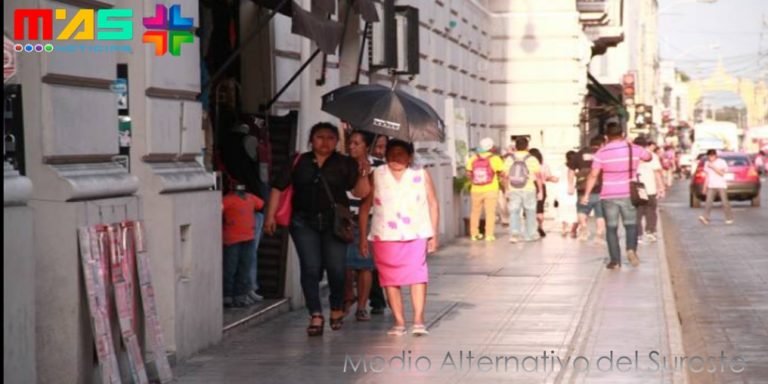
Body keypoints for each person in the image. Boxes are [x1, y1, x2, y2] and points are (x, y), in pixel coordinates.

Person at [264, 122, 371, 336]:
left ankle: (336, 306)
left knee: (336, 269)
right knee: (310, 268)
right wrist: (270, 216)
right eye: (320, 137)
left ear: (337, 142)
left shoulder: (345, 163)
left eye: (331, 138)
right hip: (303, 222)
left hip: (335, 224)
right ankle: (315, 313)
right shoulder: (298, 161)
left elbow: (360, 193)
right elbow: (278, 187)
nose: (325, 142)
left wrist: (363, 173)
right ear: (311, 140)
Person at [359, 139, 439, 336]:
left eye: (401, 153)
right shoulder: (376, 174)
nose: (396, 157)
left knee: (417, 275)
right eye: (392, 153)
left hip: (416, 232)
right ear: (385, 155)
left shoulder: (420, 174)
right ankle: (399, 321)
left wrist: (433, 234)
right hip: (384, 235)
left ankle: (419, 320)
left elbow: (433, 204)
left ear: (410, 156)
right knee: (389, 279)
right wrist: (362, 237)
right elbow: (363, 204)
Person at [581, 122, 652, 270]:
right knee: (631, 225)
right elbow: (649, 157)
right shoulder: (634, 149)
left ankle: (615, 261)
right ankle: (631, 249)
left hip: (608, 195)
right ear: (623, 134)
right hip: (629, 193)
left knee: (611, 228)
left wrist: (586, 194)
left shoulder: (601, 152)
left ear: (606, 137)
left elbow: (593, 175)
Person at [343, 131, 384, 321]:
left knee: (365, 265)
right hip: (344, 218)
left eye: (356, 143)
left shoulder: (378, 167)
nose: (351, 146)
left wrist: (366, 175)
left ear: (366, 146)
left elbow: (369, 197)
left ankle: (361, 306)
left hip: (367, 219)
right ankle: (346, 299)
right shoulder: (341, 163)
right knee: (343, 265)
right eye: (350, 143)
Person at [222, 184, 265, 307]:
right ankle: (229, 295)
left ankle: (237, 295)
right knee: (233, 268)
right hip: (233, 239)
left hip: (245, 238)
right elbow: (261, 205)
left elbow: (261, 204)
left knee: (241, 268)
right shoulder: (228, 200)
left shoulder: (245, 198)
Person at [504, 137, 543, 243]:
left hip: (513, 188)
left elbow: (505, 176)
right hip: (529, 188)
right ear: (527, 146)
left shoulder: (509, 159)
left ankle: (514, 234)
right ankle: (530, 235)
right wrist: (540, 191)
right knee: (530, 211)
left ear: (515, 146)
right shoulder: (532, 158)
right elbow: (538, 176)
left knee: (514, 211)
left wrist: (506, 189)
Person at [466, 137, 505, 241]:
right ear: (491, 148)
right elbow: (502, 173)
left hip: (476, 189)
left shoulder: (473, 158)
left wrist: (474, 180)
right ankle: (489, 235)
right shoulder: (495, 159)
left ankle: (474, 234)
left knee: (475, 212)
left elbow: (468, 173)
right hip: (491, 189)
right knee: (490, 212)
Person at [367, 135, 388, 315]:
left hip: (381, 218)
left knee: (376, 263)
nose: (380, 151)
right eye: (377, 146)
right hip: (364, 216)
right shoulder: (367, 165)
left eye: (384, 147)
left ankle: (377, 299)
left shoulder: (384, 167)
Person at [571, 136, 606, 242]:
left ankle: (584, 227)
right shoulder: (602, 154)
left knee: (582, 210)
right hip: (601, 189)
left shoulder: (580, 153)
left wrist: (570, 184)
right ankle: (599, 235)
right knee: (600, 214)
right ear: (601, 145)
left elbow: (571, 169)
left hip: (583, 188)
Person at [635, 139, 666, 243]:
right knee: (651, 211)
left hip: (636, 188)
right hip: (649, 188)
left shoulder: (630, 156)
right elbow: (657, 173)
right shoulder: (652, 156)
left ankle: (638, 234)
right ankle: (650, 231)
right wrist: (661, 187)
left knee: (637, 212)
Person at [698, 149, 734, 225]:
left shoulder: (721, 162)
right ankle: (705, 217)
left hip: (721, 185)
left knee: (724, 202)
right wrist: (705, 187)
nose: (711, 157)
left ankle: (729, 218)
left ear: (715, 156)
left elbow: (722, 173)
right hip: (711, 185)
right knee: (708, 202)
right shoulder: (707, 163)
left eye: (712, 155)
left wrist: (713, 167)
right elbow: (707, 176)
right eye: (709, 156)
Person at [529, 148, 557, 238]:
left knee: (529, 208)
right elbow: (548, 177)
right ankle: (540, 226)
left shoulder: (527, 164)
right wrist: (553, 179)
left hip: (529, 187)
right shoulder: (544, 165)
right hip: (542, 187)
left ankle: (531, 227)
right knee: (540, 208)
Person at [554, 151, 579, 237]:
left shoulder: (561, 167)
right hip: (574, 190)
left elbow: (556, 179)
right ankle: (573, 230)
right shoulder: (577, 168)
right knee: (574, 210)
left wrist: (547, 178)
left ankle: (564, 229)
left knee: (563, 210)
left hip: (562, 191)